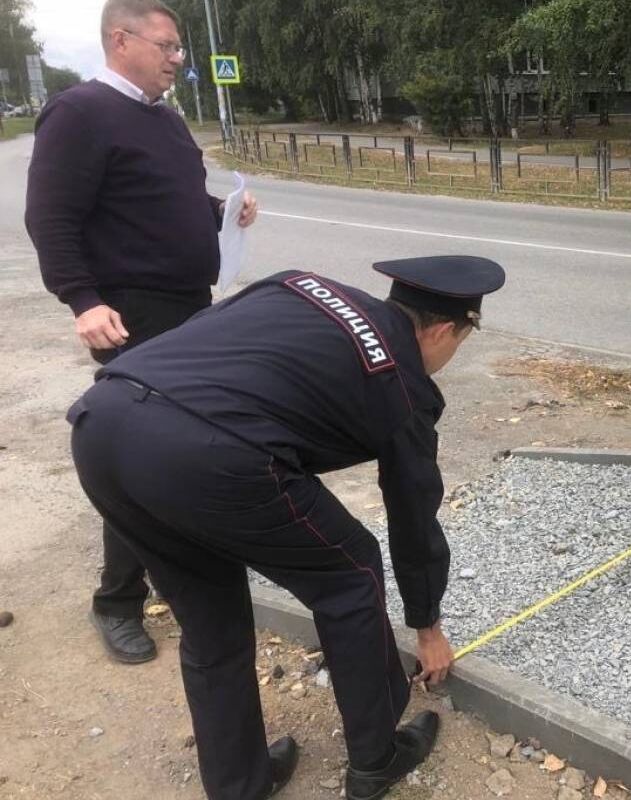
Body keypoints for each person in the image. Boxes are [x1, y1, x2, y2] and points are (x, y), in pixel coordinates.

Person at [66, 255, 505, 800]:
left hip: (102, 423)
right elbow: (412, 515)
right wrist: (427, 624)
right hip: (208, 453)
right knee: (350, 572)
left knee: (210, 625)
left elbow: (205, 336)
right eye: (459, 343)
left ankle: (238, 785)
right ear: (443, 330)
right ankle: (374, 759)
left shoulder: (301, 283)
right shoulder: (403, 388)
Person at [24, 0, 259, 664]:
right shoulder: (79, 113)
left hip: (189, 307)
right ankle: (116, 602)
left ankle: (180, 578)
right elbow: (51, 216)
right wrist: (82, 300)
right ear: (120, 40)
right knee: (136, 458)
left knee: (187, 449)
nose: (178, 61)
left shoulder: (163, 119)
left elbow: (168, 196)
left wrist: (225, 210)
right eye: (168, 47)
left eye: (180, 48)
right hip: (132, 314)